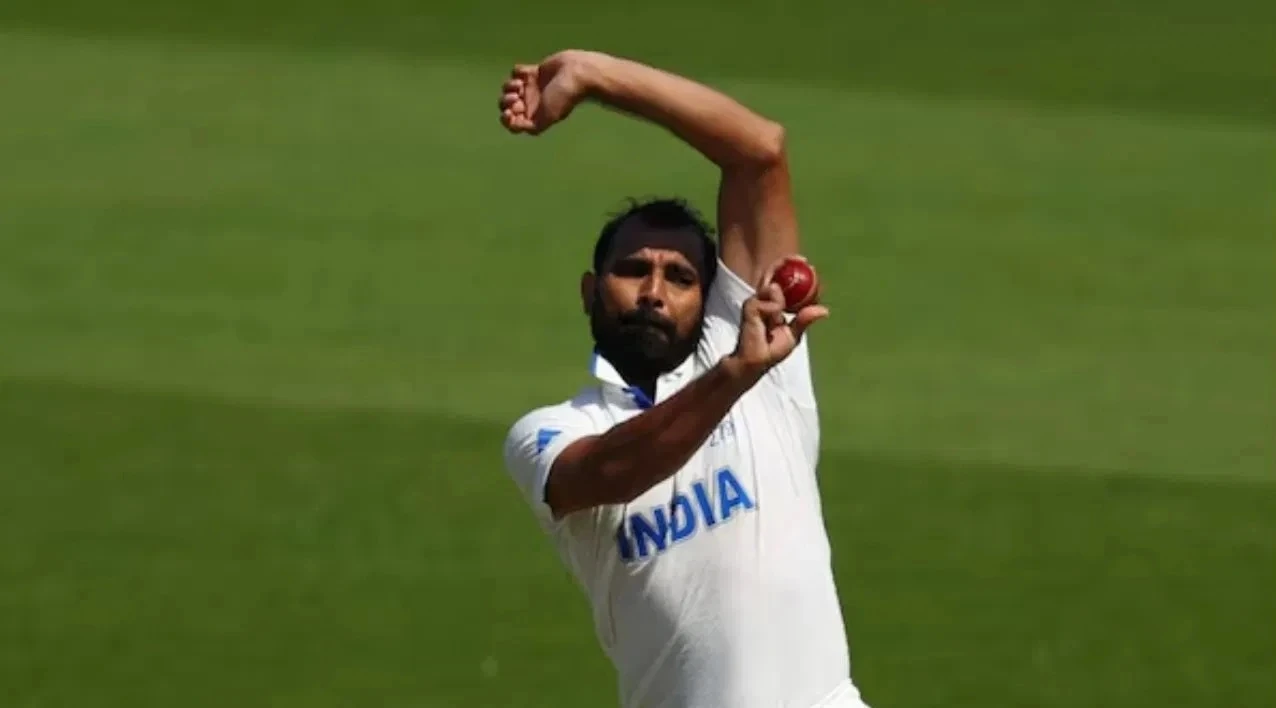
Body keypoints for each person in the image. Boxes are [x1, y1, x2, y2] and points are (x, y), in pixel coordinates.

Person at [498, 49, 869, 708]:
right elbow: (611, 471)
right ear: (589, 292)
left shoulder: (762, 365)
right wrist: (733, 376)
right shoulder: (550, 433)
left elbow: (759, 152)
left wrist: (592, 74)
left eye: (680, 277)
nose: (653, 292)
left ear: (709, 299)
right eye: (632, 270)